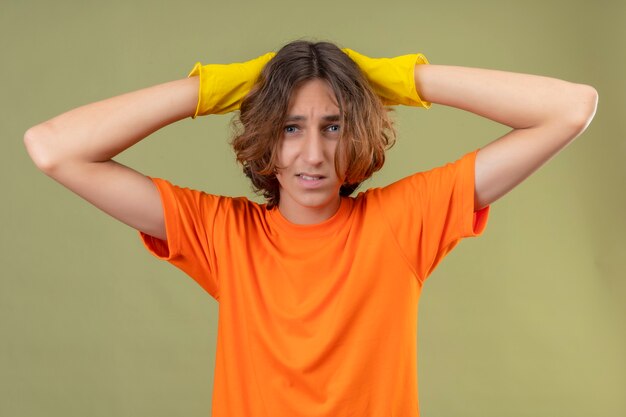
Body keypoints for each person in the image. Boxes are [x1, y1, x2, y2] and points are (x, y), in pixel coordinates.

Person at [24, 40, 597, 416]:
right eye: (292, 128)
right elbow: (52, 148)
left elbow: (571, 107)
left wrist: (403, 78)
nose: (315, 153)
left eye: (334, 125)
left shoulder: (402, 221)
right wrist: (210, 89)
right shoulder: (223, 234)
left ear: (358, 137)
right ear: (265, 140)